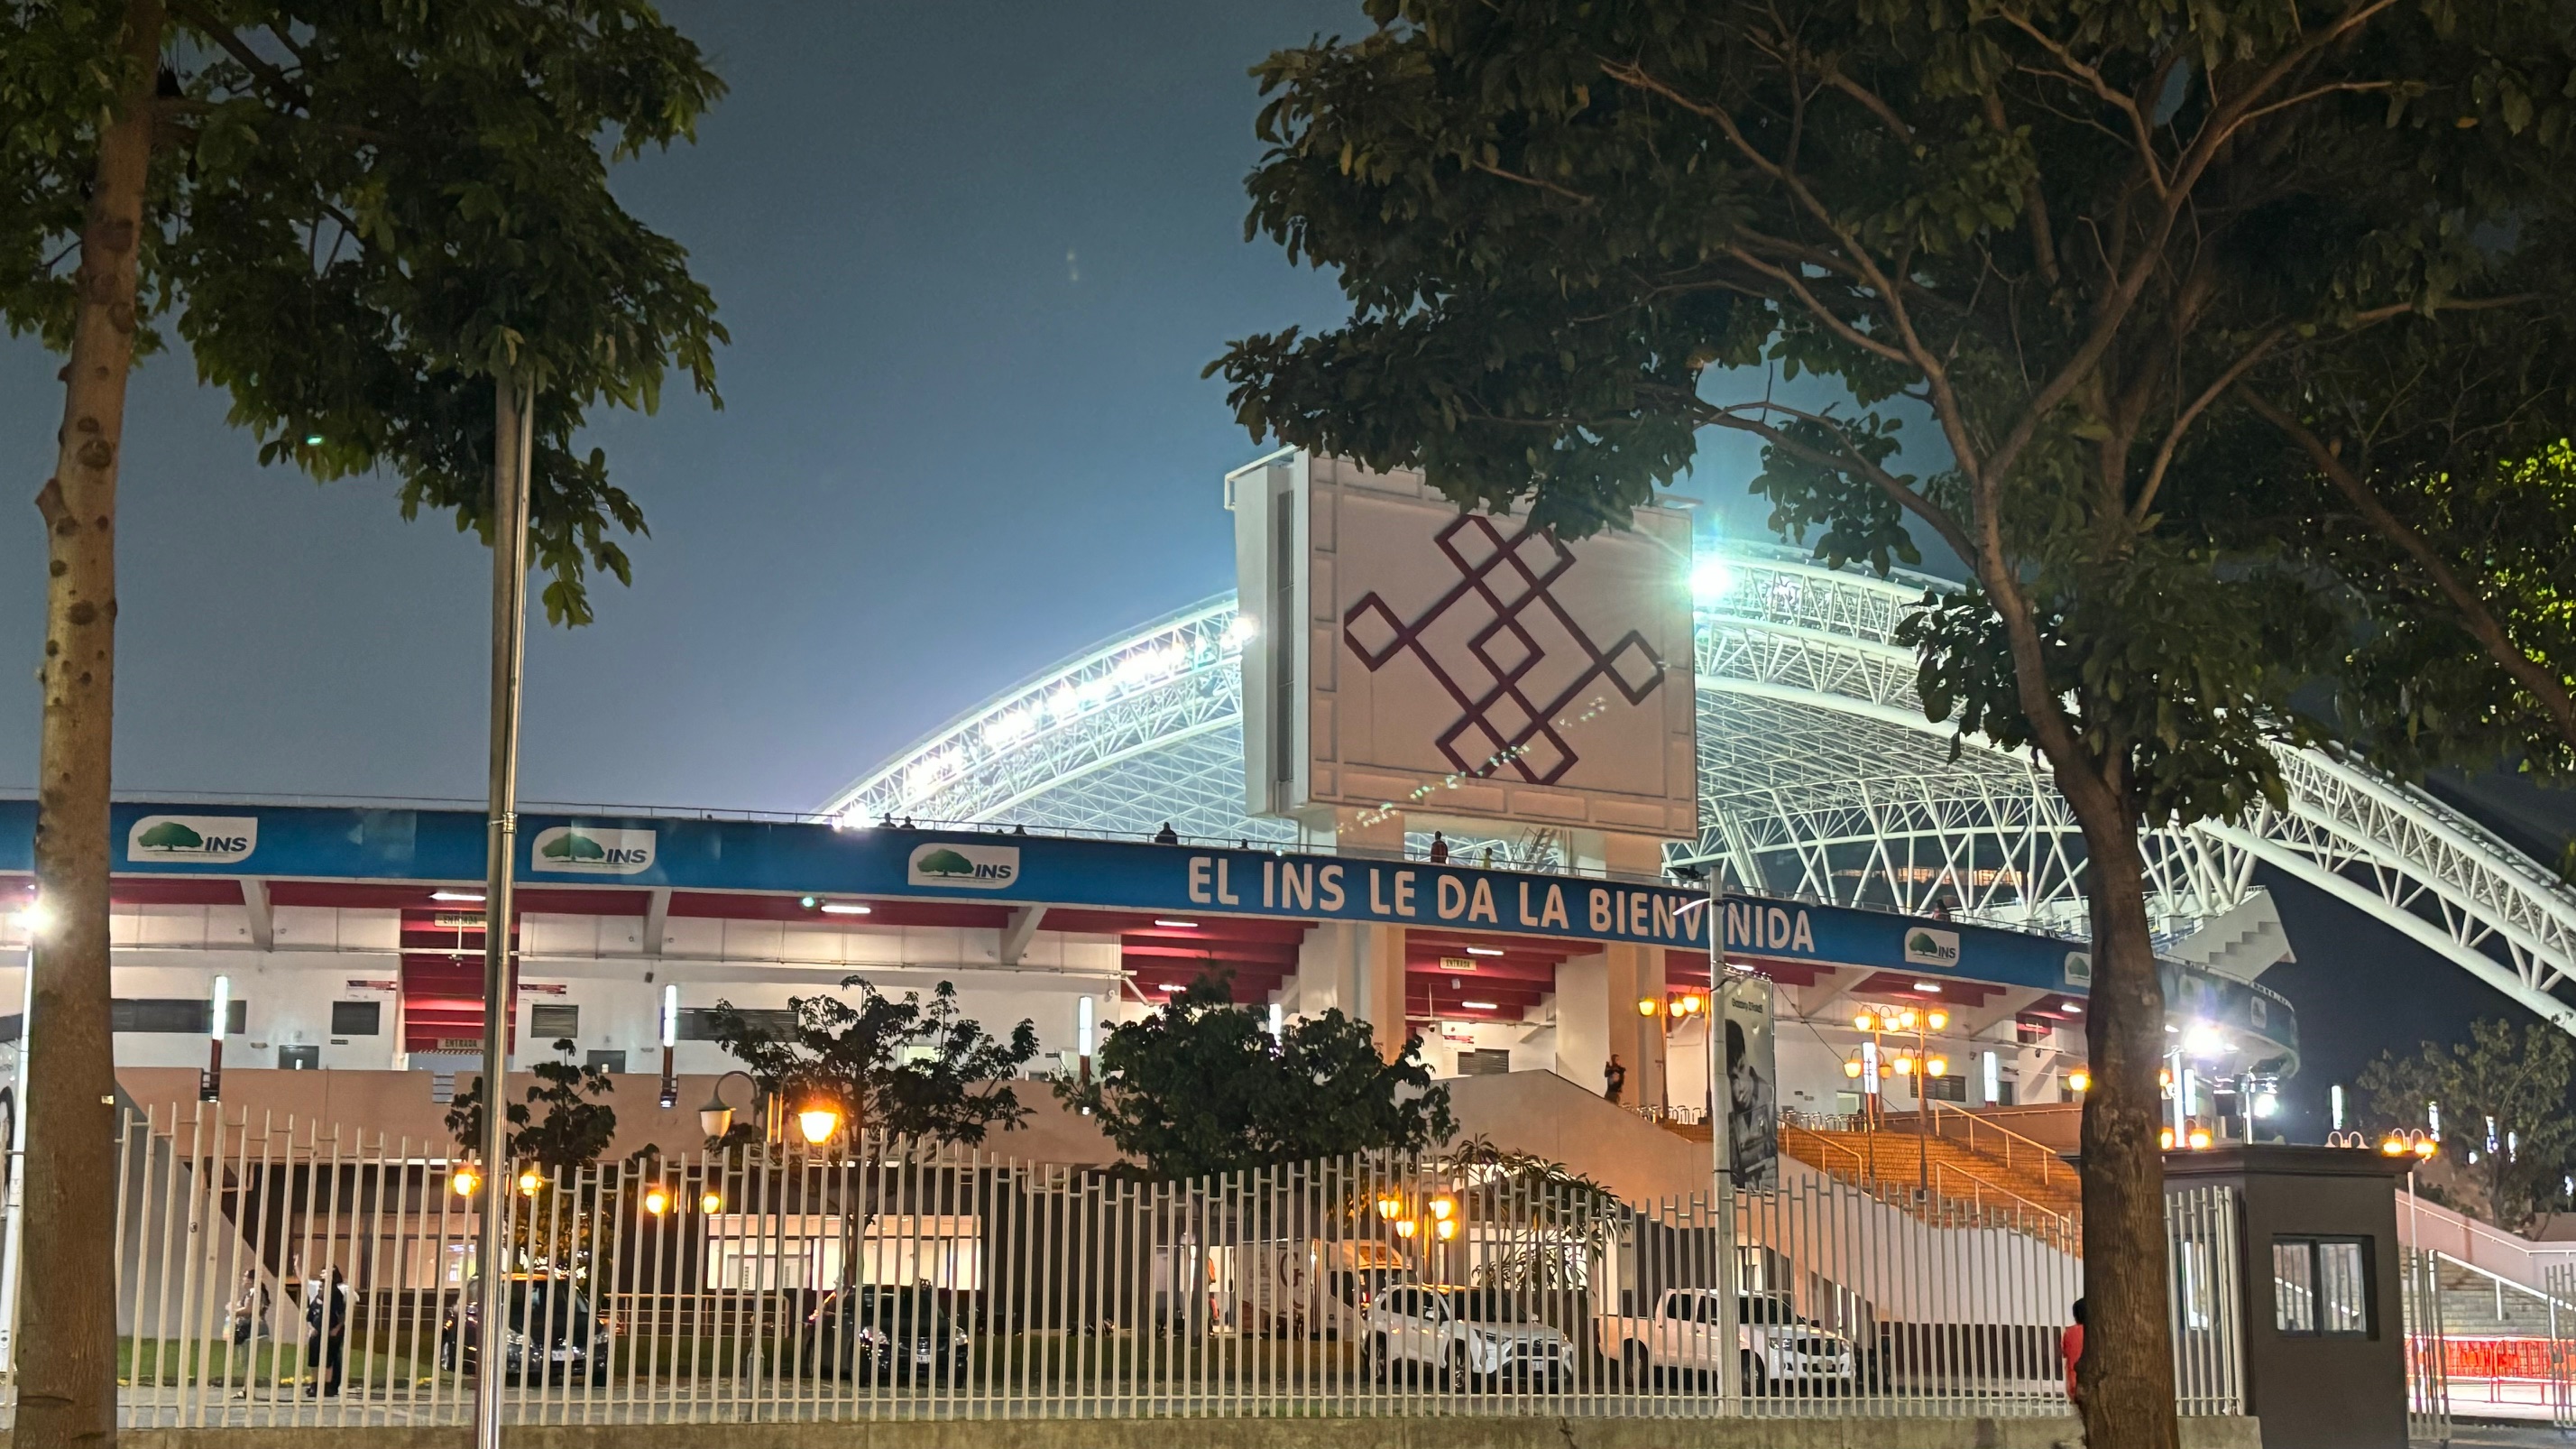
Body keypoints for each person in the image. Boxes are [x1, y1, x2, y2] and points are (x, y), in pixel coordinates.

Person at [305, 1266, 351, 1397]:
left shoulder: (336, 1295)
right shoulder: (316, 1301)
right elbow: (309, 1317)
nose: (320, 1288)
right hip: (316, 1333)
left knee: (328, 1360)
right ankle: (314, 1385)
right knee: (314, 1360)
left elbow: (342, 1314)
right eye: (320, 1286)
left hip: (330, 1332)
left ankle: (327, 1386)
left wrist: (336, 1329)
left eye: (323, 1285)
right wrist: (311, 1328)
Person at [2062, 1297, 2086, 1412]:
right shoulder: (2095, 1332)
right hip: (2091, 1384)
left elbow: (2065, 1353)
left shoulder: (2069, 1333)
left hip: (2072, 1383)